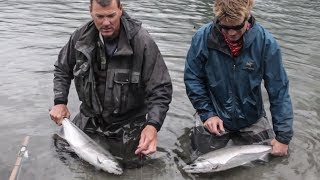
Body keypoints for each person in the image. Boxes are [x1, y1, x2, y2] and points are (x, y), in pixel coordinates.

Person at [49, 0, 172, 164]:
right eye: (99, 16)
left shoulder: (142, 42)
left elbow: (160, 89)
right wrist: (60, 102)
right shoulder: (80, 38)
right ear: (90, 12)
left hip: (128, 123)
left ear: (120, 10)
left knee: (132, 164)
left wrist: (153, 126)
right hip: (89, 118)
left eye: (111, 16)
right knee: (63, 153)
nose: (106, 22)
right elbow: (62, 69)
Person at [184, 0, 293, 157]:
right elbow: (193, 78)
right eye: (225, 27)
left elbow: (279, 91)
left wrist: (283, 137)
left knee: (275, 156)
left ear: (247, 16)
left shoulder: (266, 43)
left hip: (252, 118)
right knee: (199, 164)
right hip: (214, 115)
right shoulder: (202, 38)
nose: (231, 33)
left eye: (236, 27)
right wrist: (207, 114)